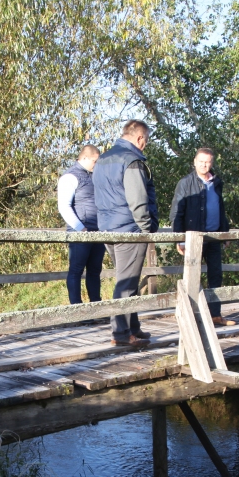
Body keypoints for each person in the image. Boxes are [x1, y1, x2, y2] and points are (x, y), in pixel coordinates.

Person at [93, 120, 158, 347]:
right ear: (140, 138)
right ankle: (121, 334)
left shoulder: (102, 159)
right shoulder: (132, 160)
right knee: (127, 283)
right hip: (129, 229)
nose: (145, 145)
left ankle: (133, 327)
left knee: (127, 278)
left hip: (107, 228)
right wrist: (146, 227)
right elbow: (138, 199)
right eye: (146, 141)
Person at [170, 148, 236, 326]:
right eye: (201, 161)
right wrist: (179, 239)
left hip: (214, 236)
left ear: (212, 163)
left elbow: (220, 209)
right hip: (194, 238)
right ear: (194, 162)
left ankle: (215, 315)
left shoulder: (216, 183)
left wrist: (225, 232)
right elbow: (177, 212)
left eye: (207, 162)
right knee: (193, 277)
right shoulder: (185, 183)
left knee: (216, 275)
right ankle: (190, 317)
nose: (204, 165)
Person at [57, 145, 104, 305]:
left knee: (95, 271)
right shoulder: (70, 177)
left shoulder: (93, 177)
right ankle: (77, 310)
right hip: (80, 232)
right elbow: (64, 206)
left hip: (97, 232)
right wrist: (80, 228)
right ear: (84, 158)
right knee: (76, 270)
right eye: (94, 161)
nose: (96, 164)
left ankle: (96, 307)